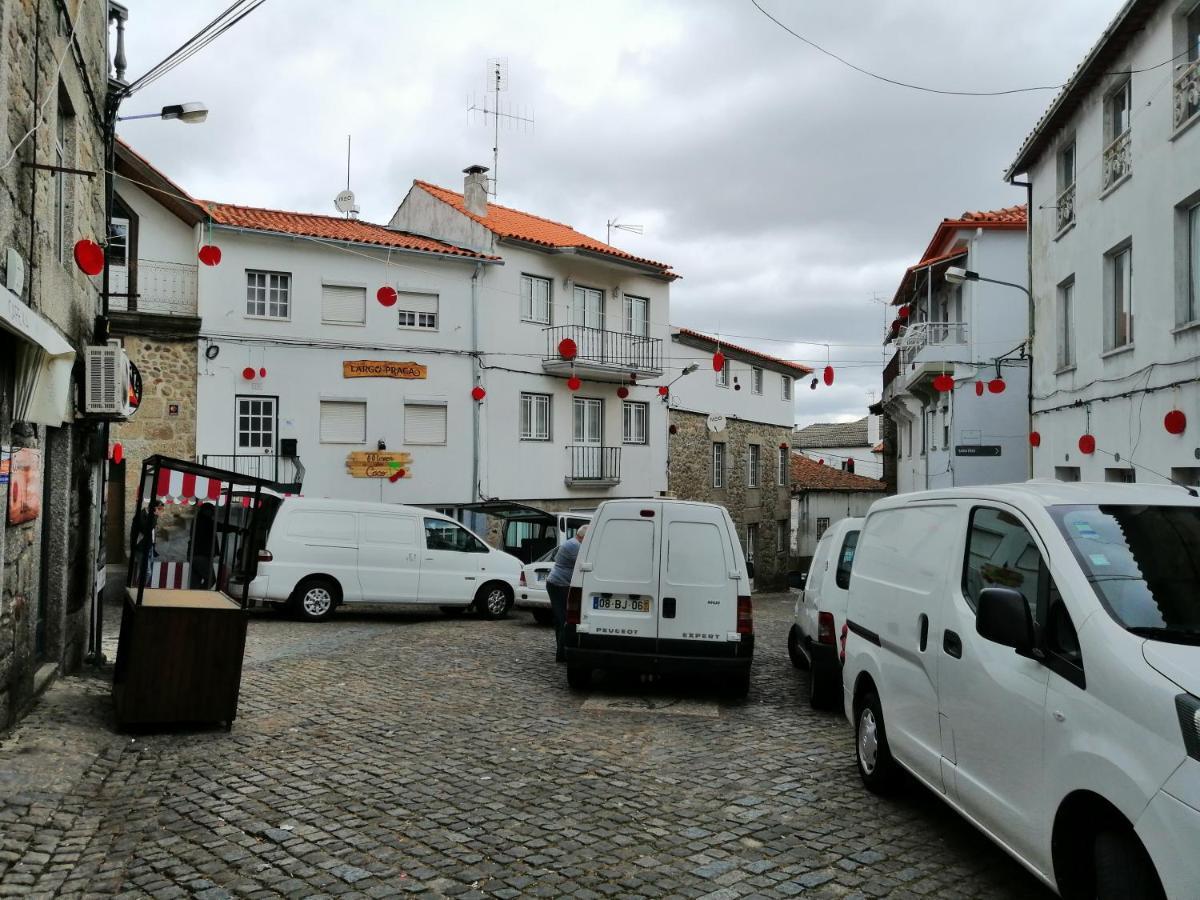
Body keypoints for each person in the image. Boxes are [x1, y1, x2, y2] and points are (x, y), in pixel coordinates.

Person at [545, 524, 587, 663]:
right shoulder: (575, 546)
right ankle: (561, 655)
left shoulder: (570, 542)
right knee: (564, 620)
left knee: (560, 619)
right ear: (583, 537)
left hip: (556, 583)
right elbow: (583, 563)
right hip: (559, 585)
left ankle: (561, 652)